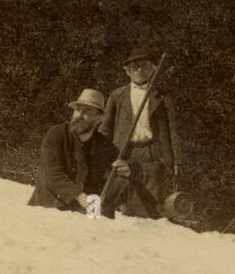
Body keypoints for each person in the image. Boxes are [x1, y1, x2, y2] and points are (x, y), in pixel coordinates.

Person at [100, 48, 180, 218]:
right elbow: (105, 128)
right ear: (127, 71)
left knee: (149, 204)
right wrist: (99, 154)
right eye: (134, 67)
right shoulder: (117, 96)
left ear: (152, 69)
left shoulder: (162, 97)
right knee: (116, 198)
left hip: (152, 153)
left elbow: (172, 130)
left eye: (143, 66)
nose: (139, 70)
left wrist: (176, 161)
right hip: (124, 151)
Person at [27, 88, 120, 213]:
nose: (79, 115)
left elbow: (115, 169)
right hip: (49, 208)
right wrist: (79, 196)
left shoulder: (103, 144)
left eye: (86, 111)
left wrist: (125, 168)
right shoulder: (57, 134)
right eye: (77, 110)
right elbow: (52, 174)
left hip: (82, 211)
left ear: (99, 118)